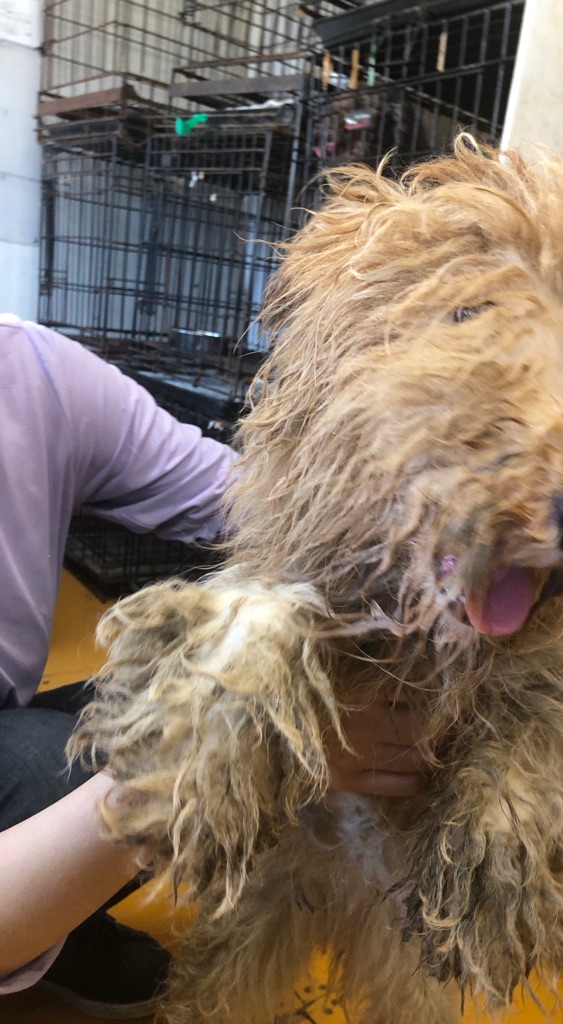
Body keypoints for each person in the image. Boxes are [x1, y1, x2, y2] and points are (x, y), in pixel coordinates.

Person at [0, 315, 430, 1018]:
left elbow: (254, 505)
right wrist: (255, 748)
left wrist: (430, 531)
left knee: (122, 722)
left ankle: (56, 915)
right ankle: (40, 913)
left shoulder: (31, 369)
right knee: (197, 738)